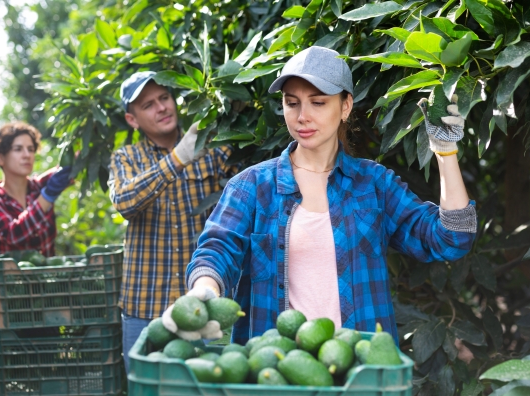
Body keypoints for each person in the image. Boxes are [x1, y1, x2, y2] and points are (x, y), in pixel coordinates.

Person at [168, 46, 476, 344]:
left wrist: (445, 153)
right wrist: (204, 290)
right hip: (277, 371)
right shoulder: (252, 186)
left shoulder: (374, 184)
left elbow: (451, 240)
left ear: (345, 106)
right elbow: (217, 250)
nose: (302, 116)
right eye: (292, 103)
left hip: (360, 370)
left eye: (318, 103)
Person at [108, 71, 238, 369]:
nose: (162, 107)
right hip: (145, 305)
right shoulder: (126, 157)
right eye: (148, 105)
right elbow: (125, 202)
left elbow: (236, 211)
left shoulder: (212, 150)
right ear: (133, 119)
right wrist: (178, 158)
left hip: (204, 303)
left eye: (164, 98)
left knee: (208, 390)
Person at [0, 122, 72, 396]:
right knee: (2, 389)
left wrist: (76, 154)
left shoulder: (40, 186)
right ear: (0, 157)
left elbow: (74, 163)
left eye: (31, 149)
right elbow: (14, 235)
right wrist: (47, 199)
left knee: (39, 386)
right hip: (3, 299)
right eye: (18, 149)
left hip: (42, 298)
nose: (27, 155)